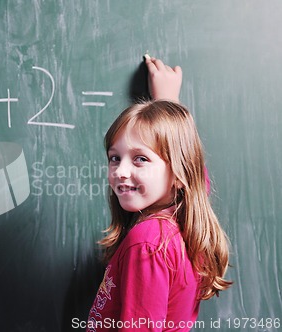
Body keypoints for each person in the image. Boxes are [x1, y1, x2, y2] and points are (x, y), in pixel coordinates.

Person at [86, 57, 232, 331]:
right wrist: (168, 101)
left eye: (140, 159)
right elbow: (197, 175)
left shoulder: (148, 243)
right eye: (114, 158)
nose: (120, 171)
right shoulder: (181, 226)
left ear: (178, 174)